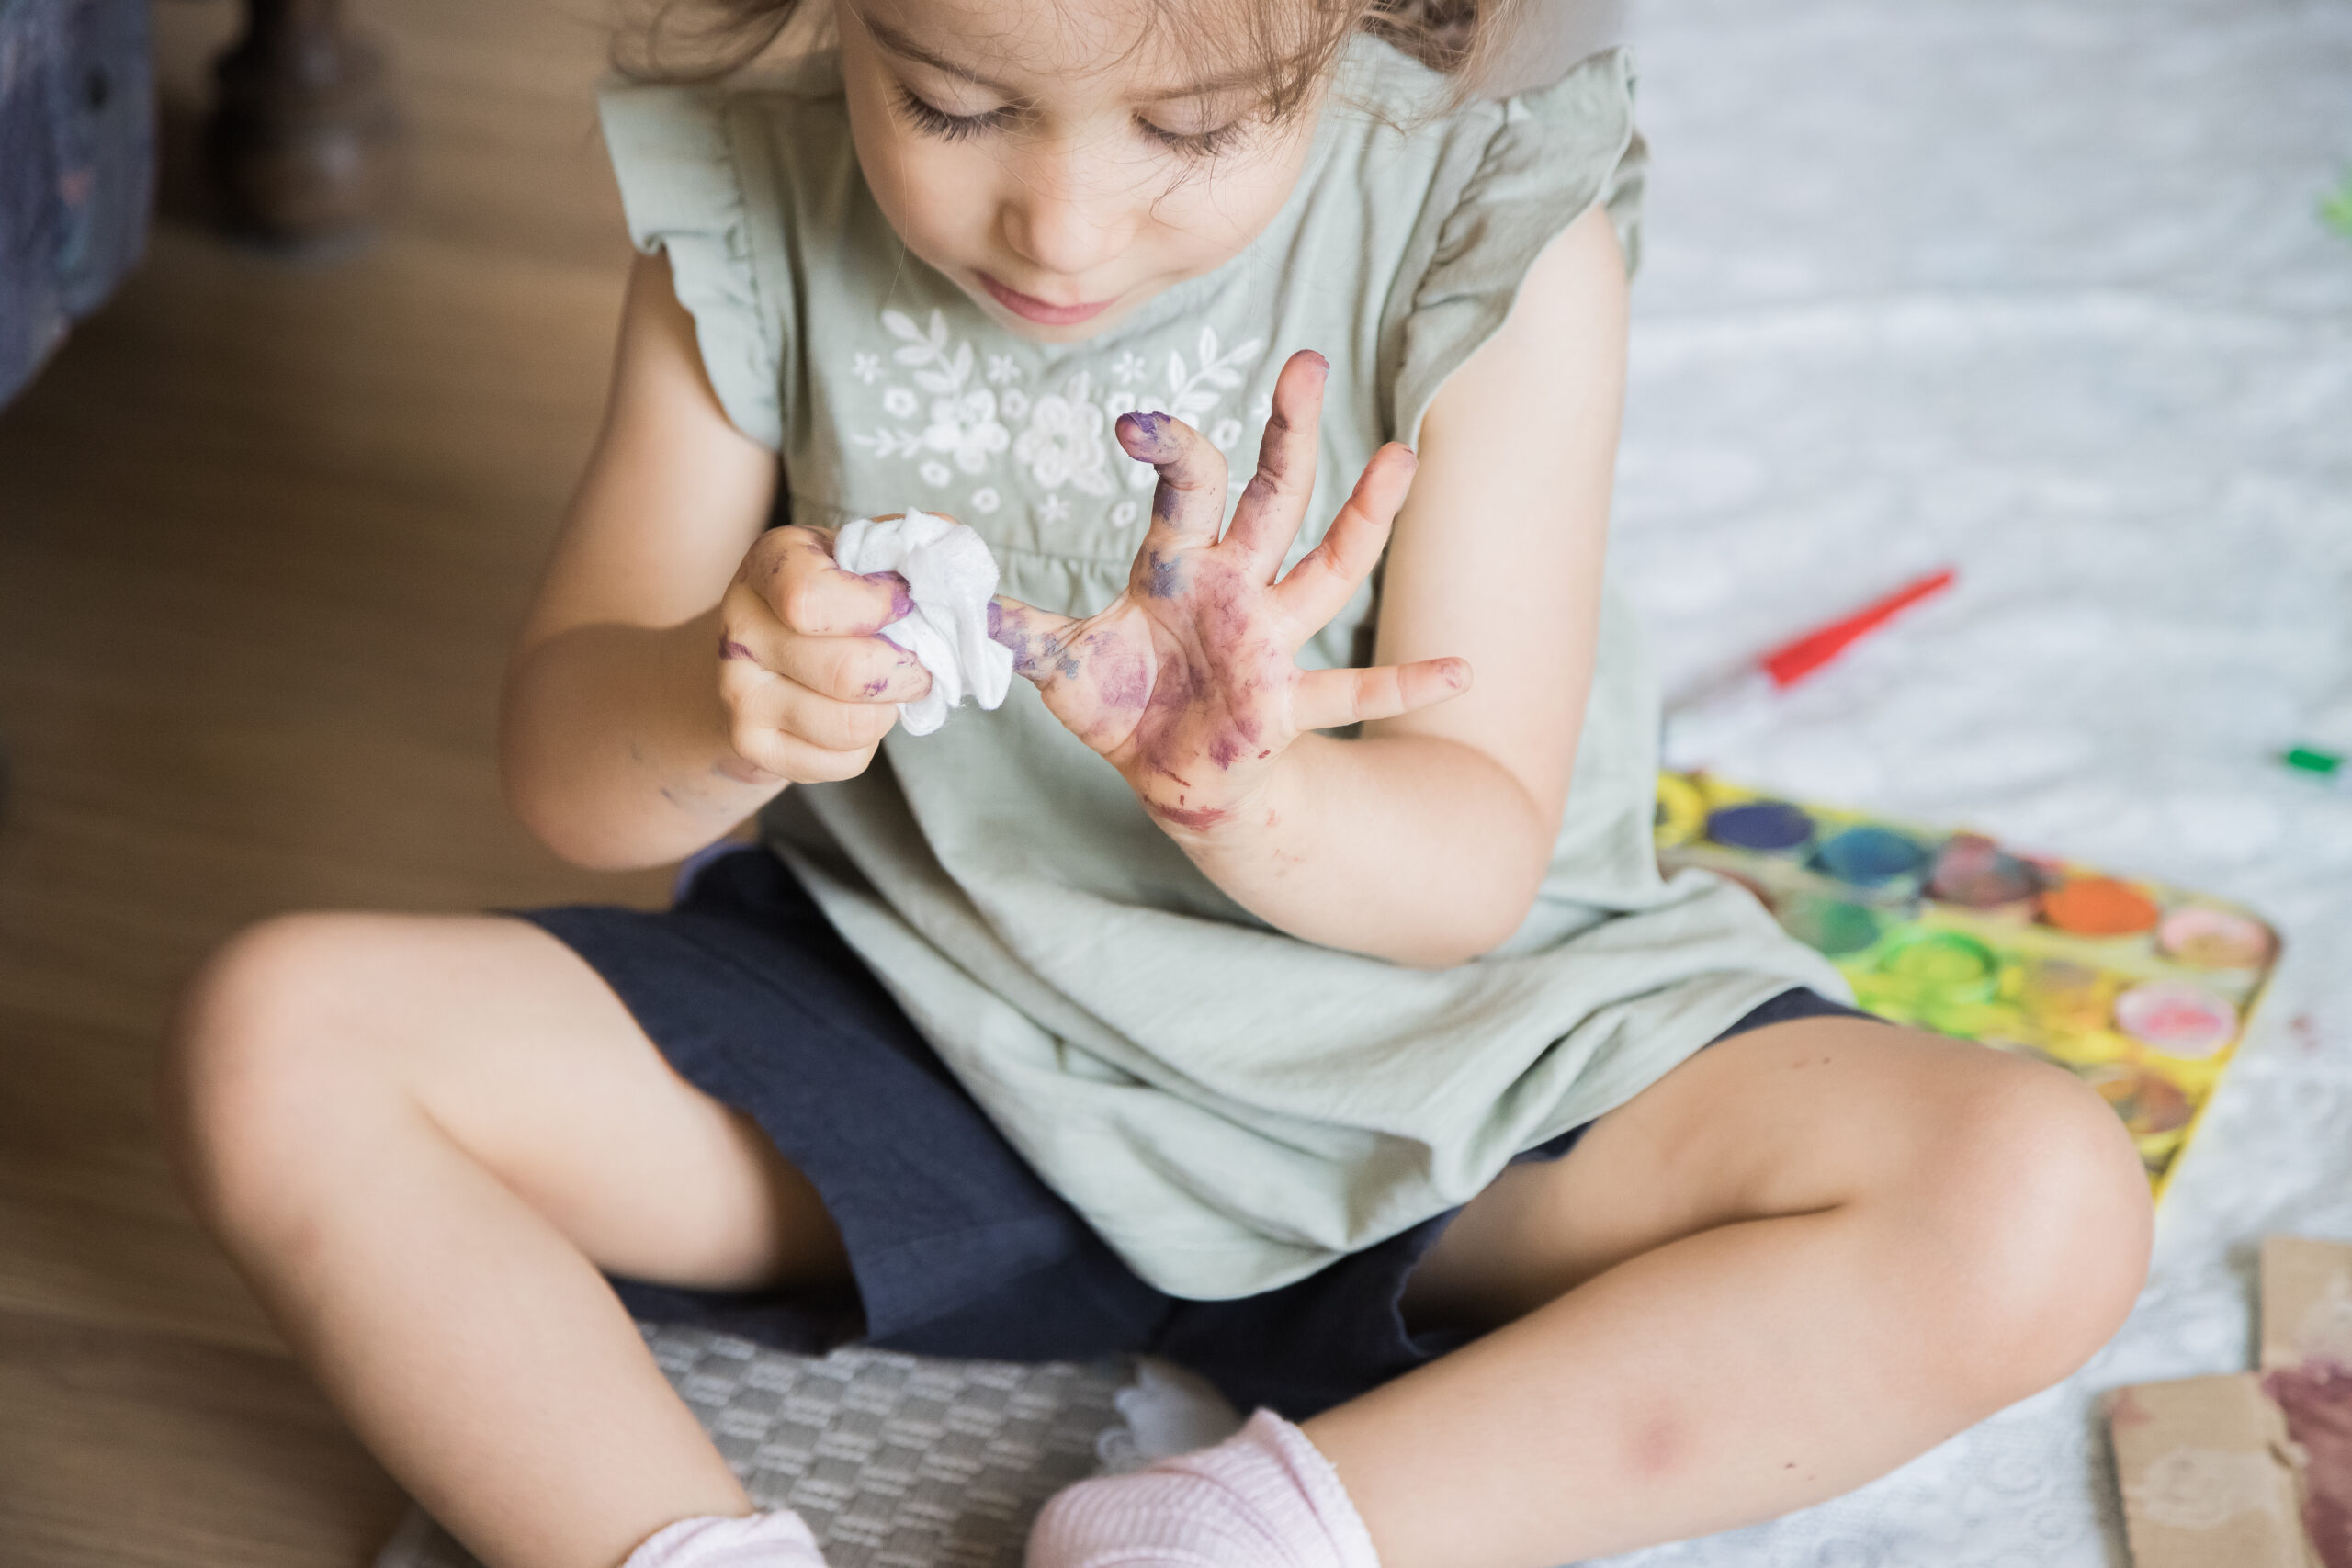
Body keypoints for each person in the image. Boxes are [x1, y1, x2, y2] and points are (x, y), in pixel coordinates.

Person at [159, 0, 2154, 1564]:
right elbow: (568, 776)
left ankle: (1254, 1533)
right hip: (919, 1034)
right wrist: (715, 692)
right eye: (947, 101)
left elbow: (1465, 860)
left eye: (1189, 130)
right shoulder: (747, 220)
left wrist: (1245, 791)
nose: (1061, 220)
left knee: (2032, 1198)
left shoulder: (1484, 238)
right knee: (283, 1032)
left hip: (1438, 1078)